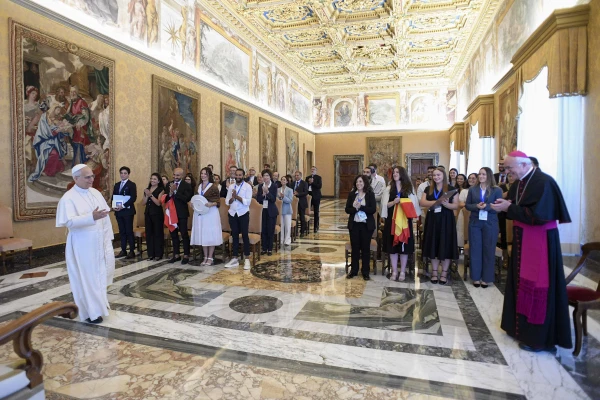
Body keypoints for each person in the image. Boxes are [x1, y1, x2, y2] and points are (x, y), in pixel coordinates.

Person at [491, 151, 571, 352]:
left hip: (540, 242)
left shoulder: (544, 182)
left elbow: (539, 216)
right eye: (506, 168)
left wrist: (509, 207)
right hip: (523, 239)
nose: (507, 172)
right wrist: (505, 206)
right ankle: (518, 328)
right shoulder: (519, 183)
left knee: (537, 286)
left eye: (509, 168)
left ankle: (538, 338)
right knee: (519, 283)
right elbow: (518, 206)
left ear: (524, 165)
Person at [56, 164, 114, 324]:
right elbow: (68, 221)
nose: (91, 179)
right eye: (87, 177)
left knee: (99, 276)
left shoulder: (95, 193)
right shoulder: (68, 198)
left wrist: (107, 238)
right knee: (86, 278)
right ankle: (90, 312)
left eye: (92, 176)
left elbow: (104, 216)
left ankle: (99, 306)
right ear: (76, 178)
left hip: (98, 242)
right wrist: (90, 217)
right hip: (82, 245)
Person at [465, 168, 503, 288]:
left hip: (490, 222)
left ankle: (486, 278)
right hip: (475, 222)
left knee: (488, 250)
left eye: (483, 174)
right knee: (475, 249)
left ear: (489, 176)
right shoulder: (473, 189)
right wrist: (476, 206)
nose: (481, 176)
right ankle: (476, 277)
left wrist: (486, 207)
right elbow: (467, 205)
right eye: (480, 174)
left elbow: (499, 206)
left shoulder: (497, 190)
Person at [420, 168, 459, 284]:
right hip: (432, 220)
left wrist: (446, 204)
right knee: (433, 245)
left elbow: (456, 205)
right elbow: (422, 202)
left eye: (438, 175)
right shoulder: (428, 189)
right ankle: (434, 272)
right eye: (434, 175)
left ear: (444, 176)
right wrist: (437, 202)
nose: (436, 177)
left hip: (447, 220)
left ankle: (444, 273)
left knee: (445, 245)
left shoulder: (451, 189)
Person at [381, 166, 420, 281]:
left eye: (397, 172)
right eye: (394, 172)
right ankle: (394, 271)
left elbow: (413, 204)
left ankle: (402, 271)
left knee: (404, 247)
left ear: (402, 174)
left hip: (405, 221)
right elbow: (385, 205)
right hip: (392, 221)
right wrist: (394, 202)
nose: (395, 174)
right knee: (392, 247)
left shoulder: (408, 188)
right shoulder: (389, 188)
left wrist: (402, 202)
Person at [345, 175, 377, 281]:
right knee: (355, 248)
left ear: (365, 183)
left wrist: (361, 207)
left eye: (361, 181)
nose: (358, 183)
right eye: (357, 182)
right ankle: (354, 270)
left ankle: (365, 272)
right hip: (354, 224)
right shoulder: (352, 194)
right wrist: (355, 208)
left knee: (365, 249)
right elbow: (347, 209)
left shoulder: (370, 194)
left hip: (366, 225)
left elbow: (372, 209)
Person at [191, 167, 222, 266]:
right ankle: (205, 256)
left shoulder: (213, 187)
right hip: (200, 213)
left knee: (210, 234)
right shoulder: (198, 186)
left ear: (209, 175)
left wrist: (211, 204)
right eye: (202, 173)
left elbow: (218, 201)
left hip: (210, 213)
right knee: (203, 234)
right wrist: (192, 204)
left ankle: (210, 257)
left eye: (205, 174)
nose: (203, 175)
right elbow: (195, 198)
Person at [225, 168, 253, 270]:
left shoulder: (247, 186)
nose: (237, 177)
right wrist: (232, 198)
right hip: (232, 213)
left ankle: (247, 259)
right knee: (235, 235)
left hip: (243, 213)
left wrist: (237, 197)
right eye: (236, 175)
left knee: (245, 235)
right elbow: (227, 202)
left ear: (243, 176)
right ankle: (235, 258)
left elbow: (248, 202)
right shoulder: (231, 186)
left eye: (240, 175)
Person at [164, 168, 194, 264]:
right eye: (174, 175)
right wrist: (170, 193)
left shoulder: (186, 185)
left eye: (177, 175)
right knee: (173, 234)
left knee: (184, 234)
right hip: (171, 213)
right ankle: (176, 254)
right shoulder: (169, 184)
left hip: (182, 213)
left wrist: (176, 191)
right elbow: (165, 198)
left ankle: (186, 255)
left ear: (182, 175)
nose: (175, 177)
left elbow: (186, 198)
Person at [112, 166, 137, 259]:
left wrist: (123, 206)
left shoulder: (131, 184)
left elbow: (133, 198)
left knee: (128, 231)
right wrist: (113, 206)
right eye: (121, 173)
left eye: (125, 173)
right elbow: (113, 196)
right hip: (118, 212)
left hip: (128, 212)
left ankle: (131, 251)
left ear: (128, 174)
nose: (123, 175)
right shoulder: (117, 185)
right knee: (122, 231)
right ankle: (123, 250)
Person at [142, 173, 165, 261]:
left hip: (157, 214)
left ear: (158, 181)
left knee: (157, 233)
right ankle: (150, 254)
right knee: (149, 234)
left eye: (155, 179)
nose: (152, 180)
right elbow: (143, 203)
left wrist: (150, 195)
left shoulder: (161, 190)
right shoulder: (147, 189)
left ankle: (158, 254)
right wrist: (146, 195)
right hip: (148, 213)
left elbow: (159, 203)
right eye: (151, 179)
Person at [256, 169, 278, 255]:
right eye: (264, 176)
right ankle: (264, 248)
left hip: (271, 211)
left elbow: (273, 199)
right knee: (264, 230)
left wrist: (267, 192)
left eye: (267, 176)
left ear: (270, 177)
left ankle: (269, 249)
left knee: (270, 230)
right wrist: (263, 195)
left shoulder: (274, 186)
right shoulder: (260, 186)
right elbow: (258, 199)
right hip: (262, 210)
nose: (265, 177)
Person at [457, 173, 477, 247]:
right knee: (463, 231)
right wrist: (470, 205)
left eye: (473, 178)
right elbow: (460, 203)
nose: (471, 180)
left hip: (476, 214)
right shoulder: (464, 191)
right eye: (469, 178)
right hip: (465, 214)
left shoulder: (480, 190)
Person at [278, 175, 294, 247]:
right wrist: (279, 198)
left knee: (287, 226)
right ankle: (281, 240)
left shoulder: (290, 190)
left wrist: (283, 197)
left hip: (287, 210)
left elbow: (290, 200)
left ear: (287, 181)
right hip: (280, 209)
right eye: (282, 180)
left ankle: (287, 240)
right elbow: (276, 199)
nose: (283, 181)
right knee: (281, 225)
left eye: (284, 180)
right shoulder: (278, 189)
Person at [293, 171, 309, 236]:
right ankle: (295, 231)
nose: (296, 177)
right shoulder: (292, 183)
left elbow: (306, 192)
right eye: (295, 175)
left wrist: (298, 194)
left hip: (301, 202)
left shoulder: (304, 183)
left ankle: (302, 231)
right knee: (294, 217)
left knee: (302, 216)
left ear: (300, 176)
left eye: (297, 175)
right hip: (293, 203)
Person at [309, 166, 322, 232]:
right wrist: (309, 183)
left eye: (314, 169)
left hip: (316, 196)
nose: (312, 170)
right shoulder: (308, 177)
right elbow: (305, 186)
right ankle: (306, 226)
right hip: (309, 196)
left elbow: (319, 186)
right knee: (307, 211)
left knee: (316, 212)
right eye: (311, 169)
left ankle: (316, 226)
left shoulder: (318, 177)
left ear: (316, 171)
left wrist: (312, 183)